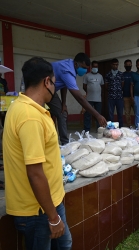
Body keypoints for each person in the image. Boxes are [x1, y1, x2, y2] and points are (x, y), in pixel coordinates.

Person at [3, 57, 72, 250]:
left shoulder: (22, 107)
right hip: (38, 210)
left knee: (65, 245)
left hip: (49, 203)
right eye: (54, 81)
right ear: (46, 81)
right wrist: (52, 217)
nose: (55, 87)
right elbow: (34, 172)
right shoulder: (30, 117)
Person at [48, 53, 107, 145]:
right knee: (38, 115)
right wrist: (97, 115)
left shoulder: (70, 64)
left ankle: (64, 143)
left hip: (51, 91)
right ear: (76, 64)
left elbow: (64, 84)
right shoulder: (67, 70)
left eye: (86, 69)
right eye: (83, 67)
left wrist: (64, 104)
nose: (84, 70)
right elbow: (79, 98)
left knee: (62, 113)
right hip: (40, 88)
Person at [83, 60, 104, 132]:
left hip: (98, 99)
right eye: (94, 66)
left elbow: (102, 85)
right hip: (89, 99)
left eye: (96, 67)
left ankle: (99, 129)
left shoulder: (100, 76)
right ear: (91, 67)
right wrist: (89, 92)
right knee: (87, 115)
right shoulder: (87, 75)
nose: (95, 68)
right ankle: (87, 130)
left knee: (98, 115)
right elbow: (84, 86)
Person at [105, 58, 124, 127]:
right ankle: (111, 129)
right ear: (111, 65)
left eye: (116, 65)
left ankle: (121, 128)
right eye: (114, 65)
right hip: (111, 97)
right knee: (110, 114)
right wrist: (111, 90)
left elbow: (122, 84)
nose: (115, 66)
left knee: (120, 114)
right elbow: (106, 85)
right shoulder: (108, 74)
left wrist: (118, 90)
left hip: (119, 97)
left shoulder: (121, 74)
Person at [123, 59, 134, 127]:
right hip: (125, 96)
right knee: (127, 113)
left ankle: (138, 125)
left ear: (131, 65)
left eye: (129, 65)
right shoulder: (122, 74)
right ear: (124, 65)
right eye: (127, 65)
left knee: (137, 112)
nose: (128, 66)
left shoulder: (134, 74)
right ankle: (129, 125)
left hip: (134, 97)